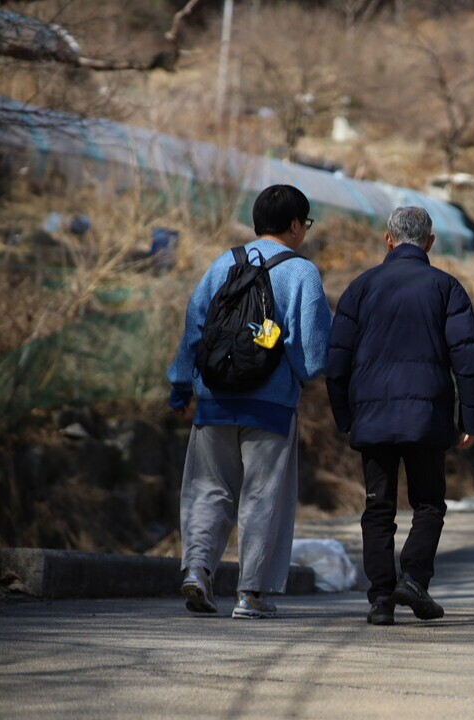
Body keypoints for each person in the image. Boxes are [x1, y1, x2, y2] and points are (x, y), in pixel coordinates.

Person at [168, 184, 332, 619]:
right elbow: (313, 356)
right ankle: (252, 593)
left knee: (208, 489)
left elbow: (195, 326)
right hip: (271, 407)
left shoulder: (224, 262)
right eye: (306, 223)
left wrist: (181, 382)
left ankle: (198, 570)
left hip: (213, 399)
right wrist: (299, 372)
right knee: (263, 497)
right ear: (296, 225)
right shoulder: (302, 273)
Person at [326, 206, 474, 626]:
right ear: (430, 243)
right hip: (426, 417)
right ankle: (413, 579)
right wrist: (470, 419)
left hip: (372, 417)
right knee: (428, 503)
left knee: (378, 508)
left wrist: (345, 416)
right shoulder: (446, 288)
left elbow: (337, 360)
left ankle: (380, 599)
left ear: (388, 240)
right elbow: (468, 359)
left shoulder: (360, 289)